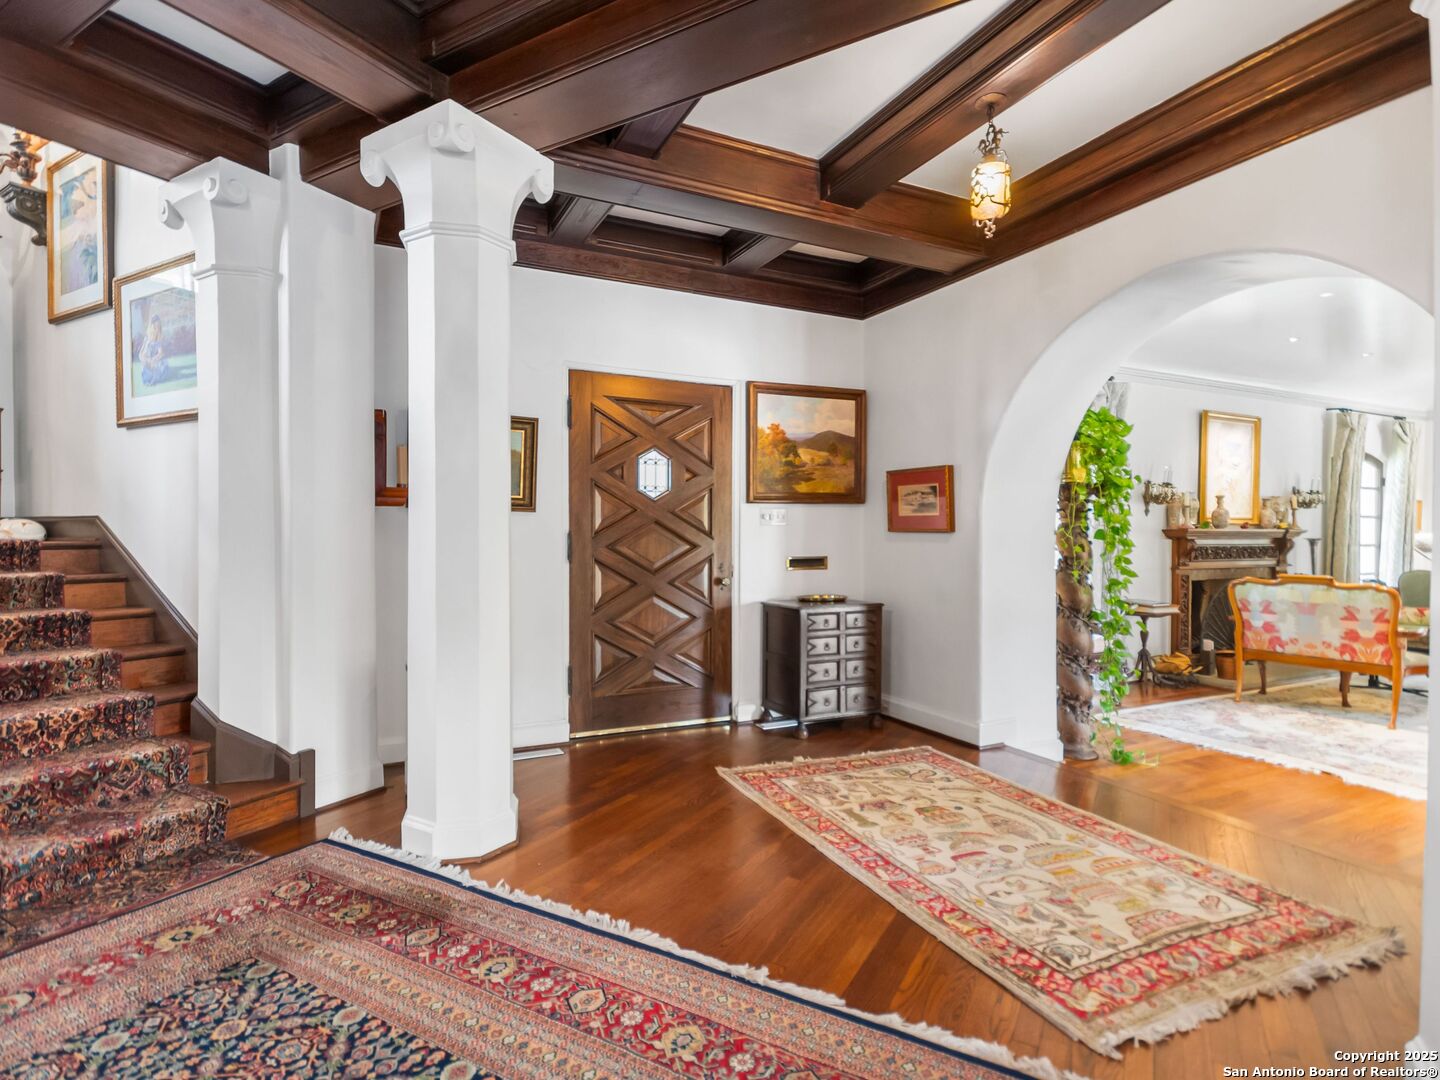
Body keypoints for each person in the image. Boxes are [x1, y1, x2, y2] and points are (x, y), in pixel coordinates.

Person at [138, 313, 169, 386]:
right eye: (154, 326)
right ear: (151, 326)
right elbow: (141, 353)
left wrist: (153, 359)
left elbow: (160, 353)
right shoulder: (147, 338)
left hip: (156, 360)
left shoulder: (158, 338)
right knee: (145, 366)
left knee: (157, 367)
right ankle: (148, 377)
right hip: (147, 359)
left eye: (158, 326)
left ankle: (154, 377)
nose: (156, 328)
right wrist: (145, 359)